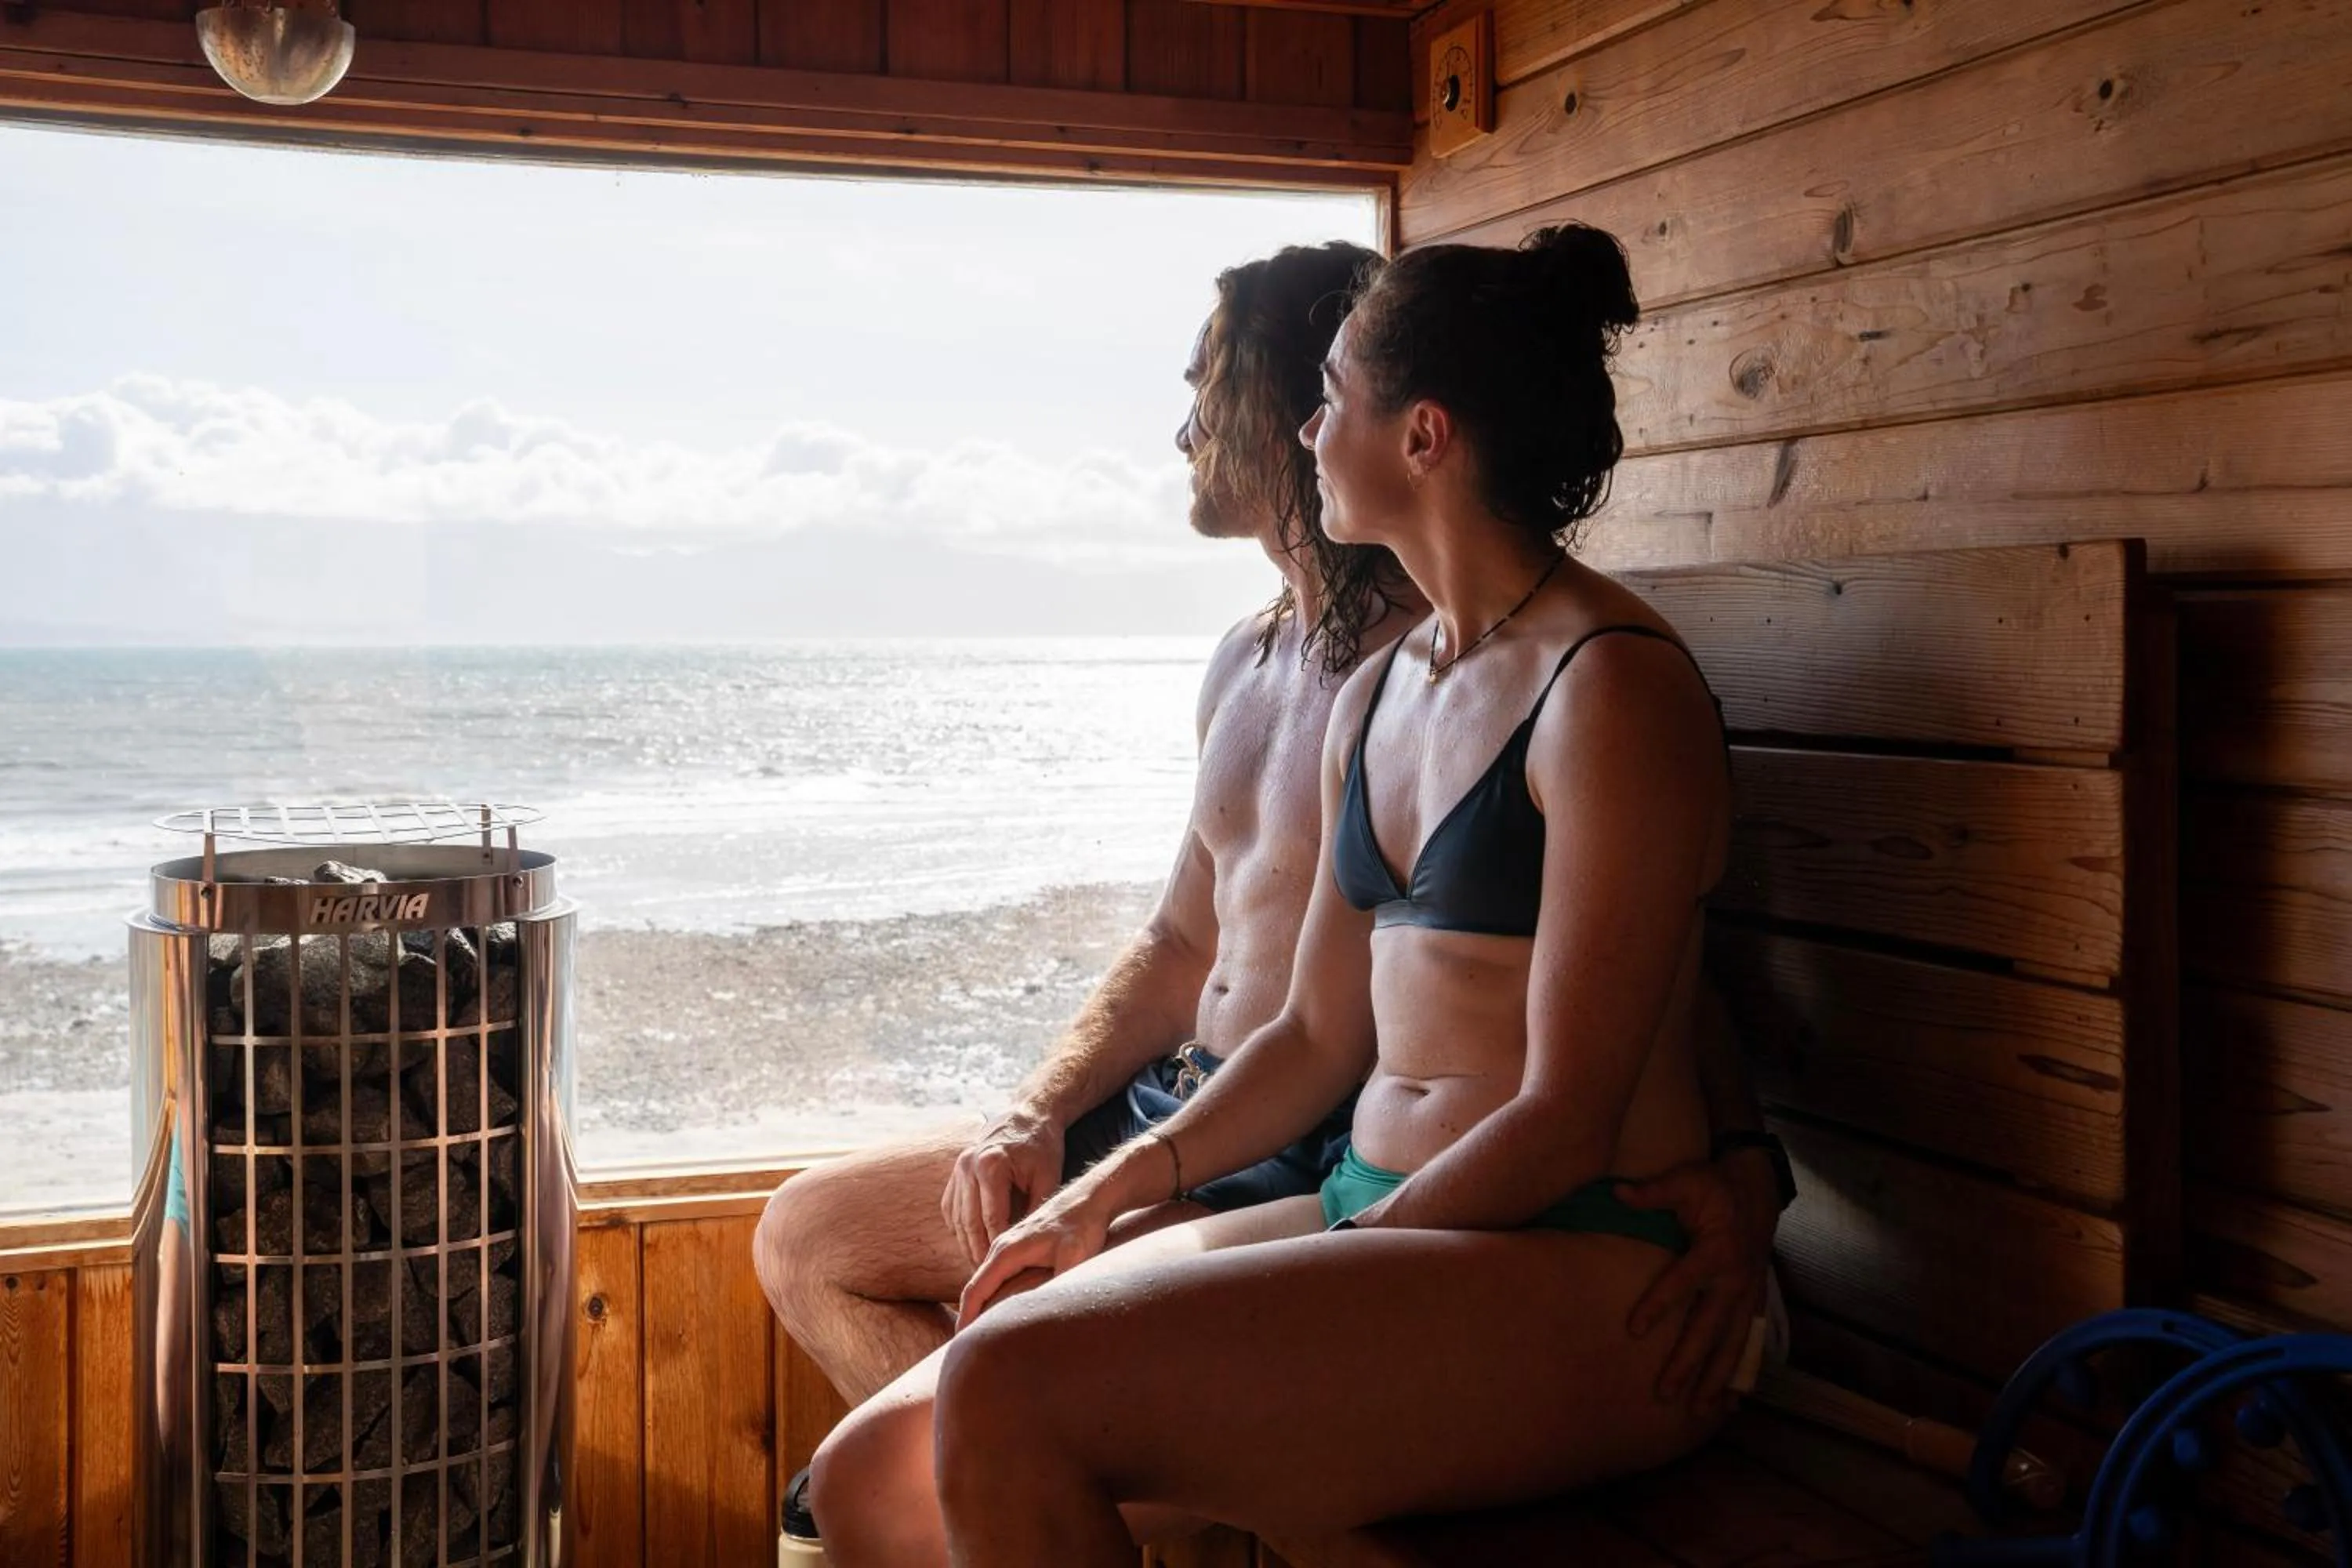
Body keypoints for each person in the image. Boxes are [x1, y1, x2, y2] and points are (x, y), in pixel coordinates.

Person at [767, 234, 1791, 1564]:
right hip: (1382, 1205)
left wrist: (1341, 1244)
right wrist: (1106, 1186)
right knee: (871, 1486)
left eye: (1336, 398)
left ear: (1422, 436)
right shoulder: (1378, 691)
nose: (1311, 430)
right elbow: (1315, 1035)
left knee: (1014, 1393)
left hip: (1587, 1257)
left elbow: (1569, 1114)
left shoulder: (1609, 688)